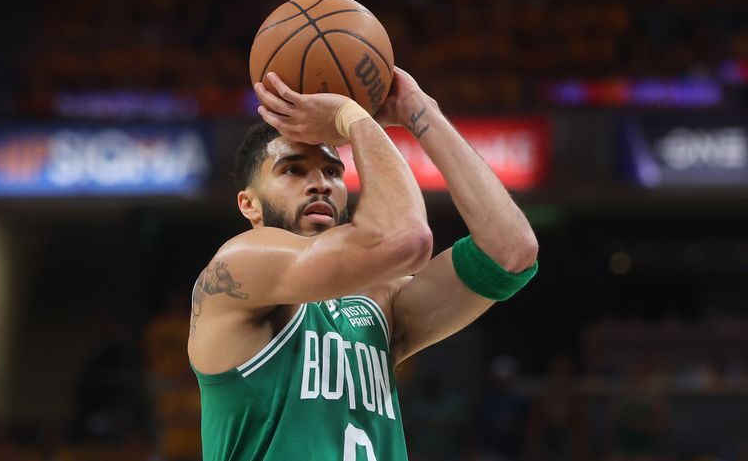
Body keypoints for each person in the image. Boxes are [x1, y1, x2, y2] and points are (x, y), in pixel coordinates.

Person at [187, 68, 539, 460]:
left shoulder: (377, 302)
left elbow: (511, 251)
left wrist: (419, 110)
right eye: (293, 169)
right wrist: (352, 117)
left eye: (333, 171)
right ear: (248, 204)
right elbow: (406, 240)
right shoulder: (238, 267)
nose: (320, 182)